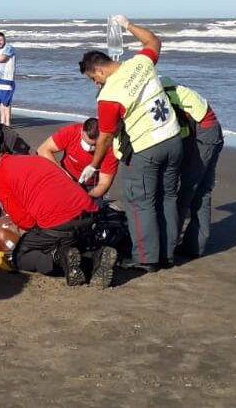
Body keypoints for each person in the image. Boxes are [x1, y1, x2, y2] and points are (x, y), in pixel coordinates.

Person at [78, 14, 182, 272]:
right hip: (173, 138)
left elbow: (105, 136)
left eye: (94, 78)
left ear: (99, 70)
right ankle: (168, 254)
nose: (96, 83)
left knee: (139, 202)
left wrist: (94, 165)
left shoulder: (109, 96)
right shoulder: (140, 63)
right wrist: (128, 25)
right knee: (167, 198)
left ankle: (145, 259)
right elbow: (153, 40)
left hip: (146, 148)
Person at [0, 154, 118, 289]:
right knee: (71, 244)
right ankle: (97, 256)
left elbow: (25, 221)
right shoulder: (33, 159)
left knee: (21, 256)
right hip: (88, 212)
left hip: (58, 222)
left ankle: (59, 258)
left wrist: (25, 232)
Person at [160, 77, 223, 258]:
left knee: (187, 189)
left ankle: (168, 245)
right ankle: (195, 246)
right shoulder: (171, 86)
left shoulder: (162, 94)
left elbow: (180, 130)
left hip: (203, 133)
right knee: (202, 190)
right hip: (211, 129)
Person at [37, 118, 119, 199]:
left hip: (90, 185)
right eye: (86, 142)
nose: (88, 148)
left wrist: (85, 197)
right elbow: (42, 150)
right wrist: (64, 175)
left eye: (94, 145)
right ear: (82, 131)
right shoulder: (72, 131)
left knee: (91, 208)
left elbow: (104, 184)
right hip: (64, 176)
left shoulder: (110, 149)